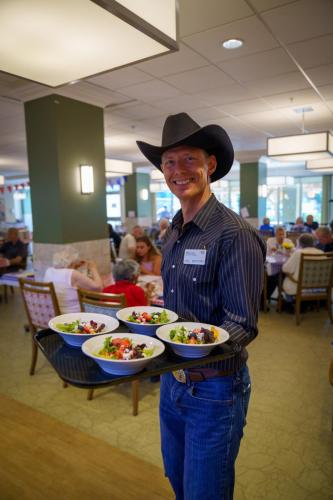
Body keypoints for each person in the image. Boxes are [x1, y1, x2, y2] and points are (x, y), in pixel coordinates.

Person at [137, 112, 265, 499]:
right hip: (171, 384)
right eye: (169, 162)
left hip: (215, 390)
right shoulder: (173, 230)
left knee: (205, 493)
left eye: (189, 159)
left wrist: (190, 346)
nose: (178, 170)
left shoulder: (234, 234)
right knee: (177, 480)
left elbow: (243, 323)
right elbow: (177, 308)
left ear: (210, 164)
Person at [44, 246, 103, 313]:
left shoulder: (48, 271)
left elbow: (65, 279)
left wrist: (73, 267)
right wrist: (93, 267)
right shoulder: (73, 274)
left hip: (54, 314)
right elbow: (99, 288)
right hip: (73, 316)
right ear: (71, 262)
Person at [282, 233, 324, 298]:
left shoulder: (298, 253)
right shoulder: (321, 253)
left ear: (300, 243)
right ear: (313, 243)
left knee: (285, 276)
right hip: (319, 287)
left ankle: (290, 301)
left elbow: (285, 269)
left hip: (299, 286)